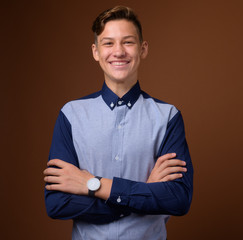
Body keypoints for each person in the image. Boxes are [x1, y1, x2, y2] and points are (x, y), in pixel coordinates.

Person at [43, 5, 193, 240]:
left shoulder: (168, 117)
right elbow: (57, 204)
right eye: (108, 43)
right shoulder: (71, 114)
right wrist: (144, 191)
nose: (119, 51)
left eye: (128, 42)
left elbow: (178, 199)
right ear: (96, 51)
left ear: (143, 49)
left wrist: (92, 184)